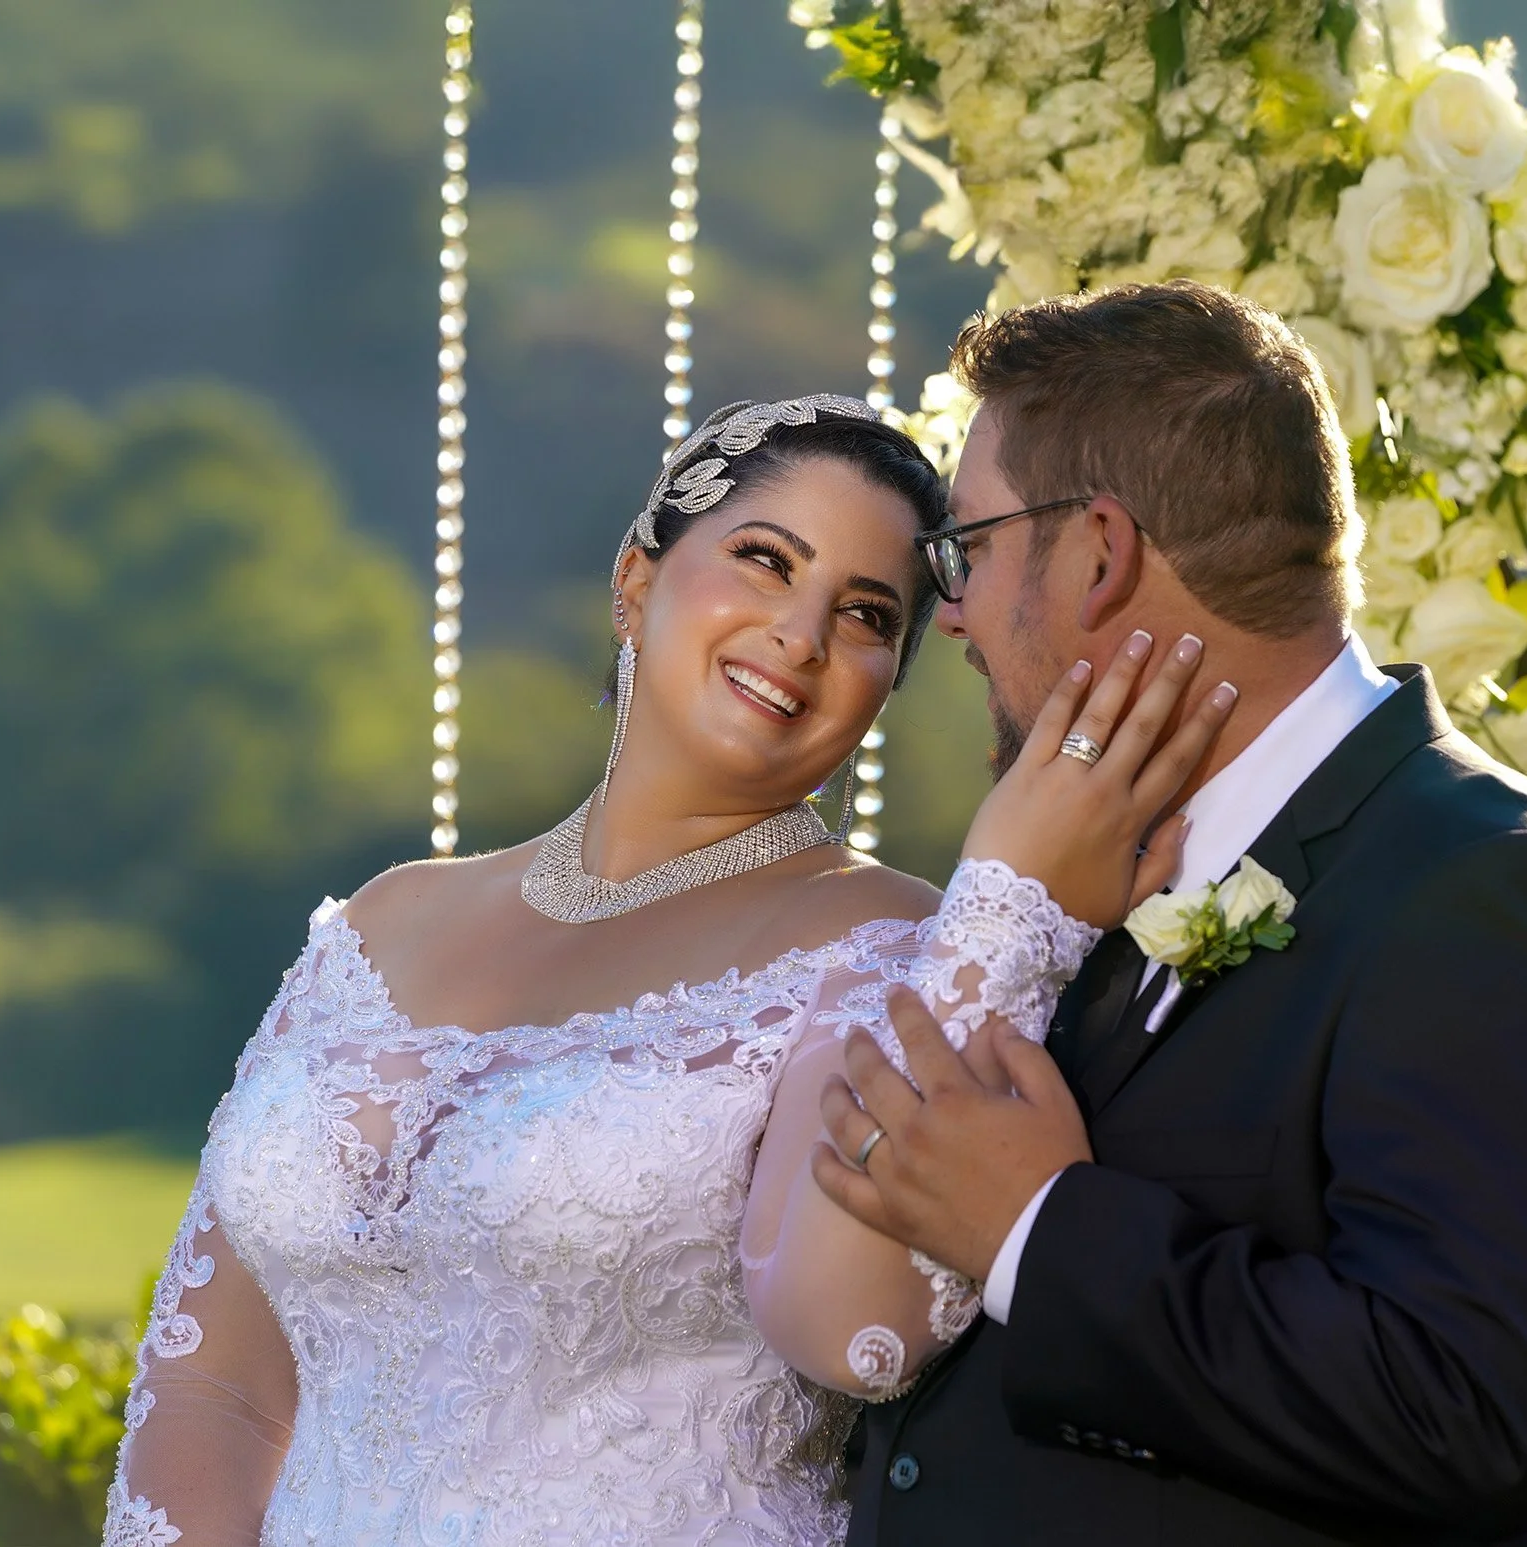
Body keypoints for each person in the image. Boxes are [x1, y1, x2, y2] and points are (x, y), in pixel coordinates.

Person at [99, 392, 1235, 1546]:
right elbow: (213, 1390)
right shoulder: (382, 922)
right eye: (762, 559)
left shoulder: (889, 949)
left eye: (863, 614)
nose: (799, 635)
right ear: (636, 579)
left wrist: (1014, 909)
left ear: (884, 684)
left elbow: (859, 1333)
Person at [811, 282, 1527, 1546]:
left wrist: (1038, 1230)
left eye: (970, 548)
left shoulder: (1492, 889)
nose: (946, 610)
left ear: (1099, 553)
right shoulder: (1094, 856)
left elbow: (1476, 1417)